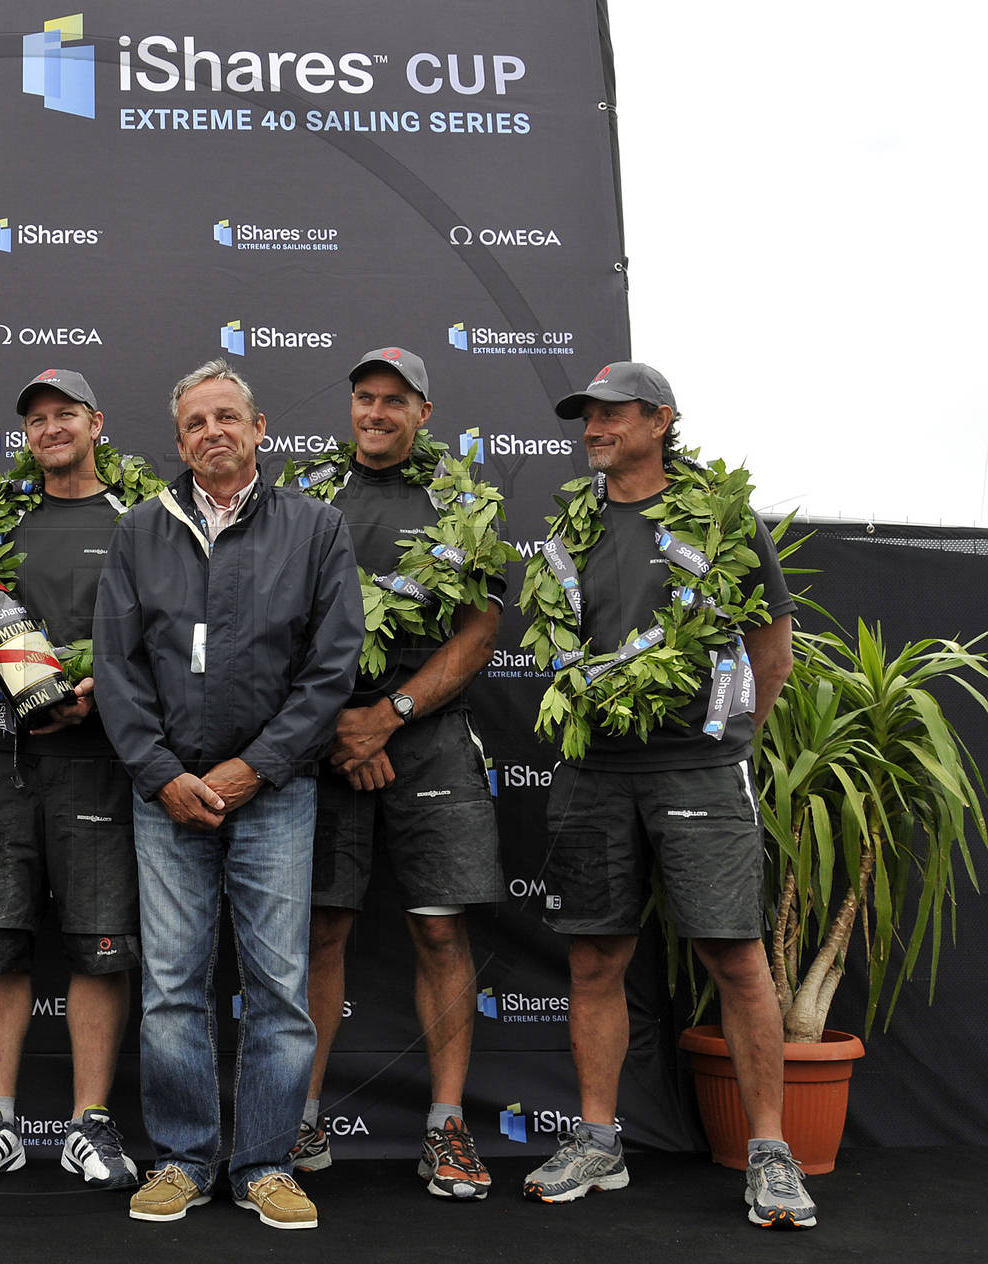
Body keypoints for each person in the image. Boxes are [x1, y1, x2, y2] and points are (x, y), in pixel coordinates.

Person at [518, 362, 810, 1229]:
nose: (594, 427)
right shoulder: (569, 524)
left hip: (698, 771)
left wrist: (722, 744)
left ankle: (770, 1153)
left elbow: (772, 653)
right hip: (594, 772)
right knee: (594, 958)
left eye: (612, 414)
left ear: (660, 420)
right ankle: (597, 1142)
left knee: (736, 959)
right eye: (588, 415)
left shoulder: (721, 520)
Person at [95, 358, 362, 1230]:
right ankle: (180, 1160)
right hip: (166, 796)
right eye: (195, 423)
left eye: (227, 417)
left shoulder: (316, 527)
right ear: (179, 443)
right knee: (171, 987)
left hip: (275, 793)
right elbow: (117, 668)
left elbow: (331, 668)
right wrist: (162, 774)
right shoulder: (140, 531)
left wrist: (257, 768)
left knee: (279, 989)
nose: (213, 431)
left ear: (257, 430)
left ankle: (266, 1165)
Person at [282, 347, 507, 1197]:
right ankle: (300, 1119)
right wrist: (344, 725)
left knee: (441, 931)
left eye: (394, 400)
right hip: (325, 737)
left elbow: (479, 634)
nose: (375, 413)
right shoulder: (303, 493)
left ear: (424, 413)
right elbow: (271, 619)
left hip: (428, 738)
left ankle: (446, 1127)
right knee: (319, 931)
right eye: (364, 398)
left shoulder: (463, 502)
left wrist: (390, 715)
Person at [0, 369, 159, 1191]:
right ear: (24, 435)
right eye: (37, 418)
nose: (51, 427)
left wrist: (104, 692)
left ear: (97, 424)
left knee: (101, 945)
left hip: (102, 758)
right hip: (3, 757)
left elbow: (169, 629)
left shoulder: (141, 518)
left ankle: (88, 1124)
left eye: (66, 414)